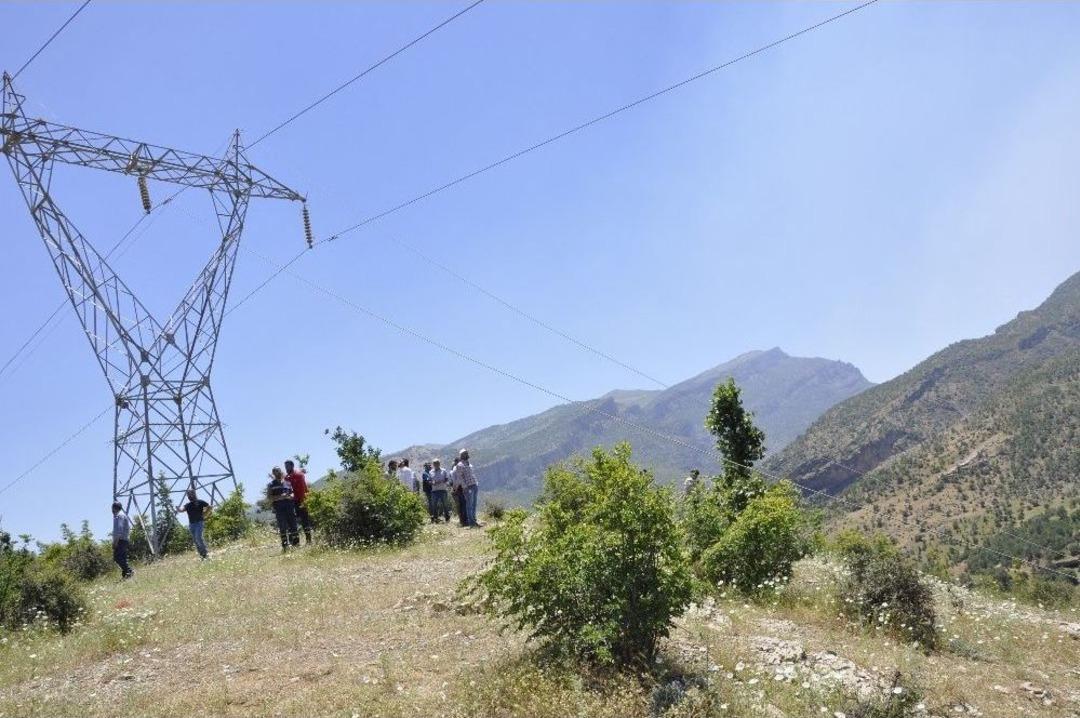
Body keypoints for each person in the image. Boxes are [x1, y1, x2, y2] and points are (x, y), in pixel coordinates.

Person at [266, 467, 300, 551]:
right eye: (275, 471)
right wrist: (281, 497)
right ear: (273, 473)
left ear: (281, 472)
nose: (277, 473)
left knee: (293, 525)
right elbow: (269, 497)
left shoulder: (287, 483)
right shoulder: (271, 484)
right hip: (279, 509)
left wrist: (291, 496)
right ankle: (285, 546)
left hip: (290, 507)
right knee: (283, 527)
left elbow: (292, 493)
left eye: (278, 471)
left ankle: (296, 544)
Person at [284, 460, 313, 545]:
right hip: (292, 502)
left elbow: (303, 489)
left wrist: (303, 501)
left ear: (292, 466)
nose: (286, 468)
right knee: (292, 523)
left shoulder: (299, 475)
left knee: (305, 522)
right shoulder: (287, 478)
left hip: (301, 501)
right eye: (285, 466)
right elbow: (287, 490)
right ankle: (295, 543)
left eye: (287, 466)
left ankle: (309, 541)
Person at [176, 489, 210, 559]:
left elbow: (209, 506)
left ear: (194, 494)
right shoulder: (187, 505)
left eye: (190, 494)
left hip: (199, 523)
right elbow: (181, 510)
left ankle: (205, 553)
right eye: (188, 494)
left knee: (198, 537)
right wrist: (178, 509)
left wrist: (205, 514)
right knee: (195, 540)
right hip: (191, 525)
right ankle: (202, 556)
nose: (189, 495)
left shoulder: (200, 502)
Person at [451, 449, 481, 528]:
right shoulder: (459, 465)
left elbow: (472, 475)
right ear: (462, 455)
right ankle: (471, 523)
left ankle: (474, 521)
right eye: (465, 453)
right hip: (468, 487)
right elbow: (460, 478)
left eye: (467, 453)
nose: (467, 454)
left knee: (474, 504)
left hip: (474, 485)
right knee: (469, 505)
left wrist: (476, 483)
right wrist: (465, 487)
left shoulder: (469, 464)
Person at [110, 501, 134, 579]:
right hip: (125, 540)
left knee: (117, 557)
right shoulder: (123, 515)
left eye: (112, 508)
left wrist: (115, 542)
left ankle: (129, 571)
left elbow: (119, 530)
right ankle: (126, 575)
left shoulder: (119, 516)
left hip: (121, 540)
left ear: (113, 508)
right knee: (123, 558)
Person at [429, 458, 452, 523]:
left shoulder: (444, 471)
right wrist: (432, 482)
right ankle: (436, 518)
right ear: (433, 464)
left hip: (443, 490)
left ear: (439, 464)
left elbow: (447, 479)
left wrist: (441, 481)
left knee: (445, 504)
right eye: (435, 463)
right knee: (434, 505)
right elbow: (429, 481)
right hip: (434, 491)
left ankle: (447, 518)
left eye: (437, 463)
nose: (436, 464)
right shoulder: (430, 472)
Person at [451, 457, 467, 527]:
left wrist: (454, 489)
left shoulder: (452, 470)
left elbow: (452, 481)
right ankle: (465, 521)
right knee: (463, 505)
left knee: (459, 506)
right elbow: (458, 480)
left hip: (455, 490)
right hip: (460, 489)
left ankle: (462, 521)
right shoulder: (457, 469)